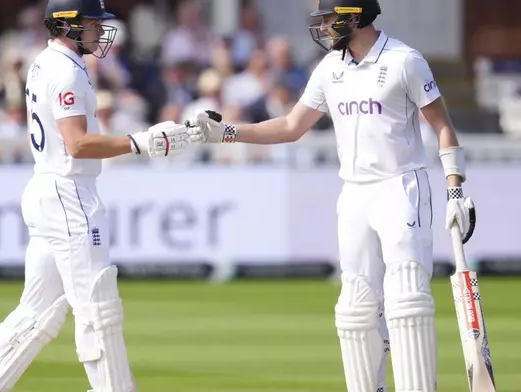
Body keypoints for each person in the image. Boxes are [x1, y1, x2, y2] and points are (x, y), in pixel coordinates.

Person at [188, 0, 476, 391]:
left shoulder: (404, 60)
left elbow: (443, 125)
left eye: (328, 19)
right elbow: (291, 126)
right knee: (356, 306)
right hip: (354, 193)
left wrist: (455, 187)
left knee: (406, 297)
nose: (322, 27)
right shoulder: (329, 69)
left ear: (354, 16)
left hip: (401, 187)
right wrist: (227, 132)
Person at [0, 0, 197, 391]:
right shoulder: (66, 71)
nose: (100, 31)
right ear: (67, 24)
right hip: (69, 193)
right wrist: (142, 142)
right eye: (92, 23)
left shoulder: (44, 61)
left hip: (47, 187)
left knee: (37, 313)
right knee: (97, 310)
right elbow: (78, 144)